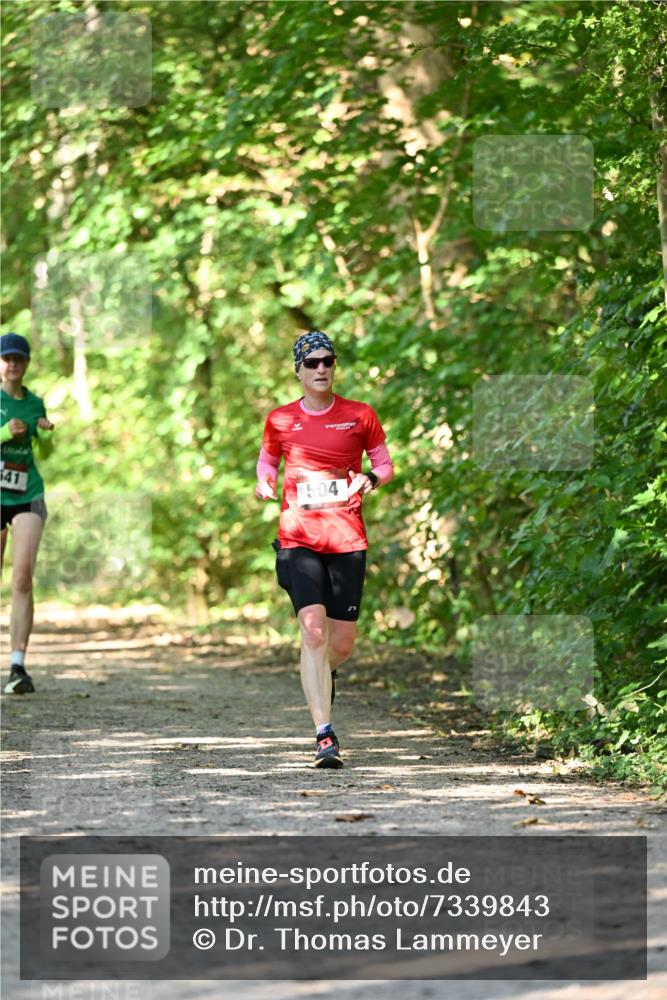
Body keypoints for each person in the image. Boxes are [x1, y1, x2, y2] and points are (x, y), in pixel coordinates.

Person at [255, 331, 394, 768]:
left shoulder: (359, 415)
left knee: (342, 643)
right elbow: (267, 460)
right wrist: (264, 481)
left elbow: (384, 464)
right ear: (297, 369)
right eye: (311, 363)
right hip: (298, 538)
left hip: (347, 538)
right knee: (313, 631)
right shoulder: (279, 419)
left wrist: (369, 480)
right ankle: (324, 735)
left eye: (327, 361)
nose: (321, 369)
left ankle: (319, 673)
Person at [1, 333, 54, 694]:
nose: (13, 364)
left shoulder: (35, 403)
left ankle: (18, 665)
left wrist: (46, 434)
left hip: (28, 493)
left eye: (19, 359)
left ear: (27, 364)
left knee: (22, 578)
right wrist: (5, 431)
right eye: (7, 359)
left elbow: (45, 455)